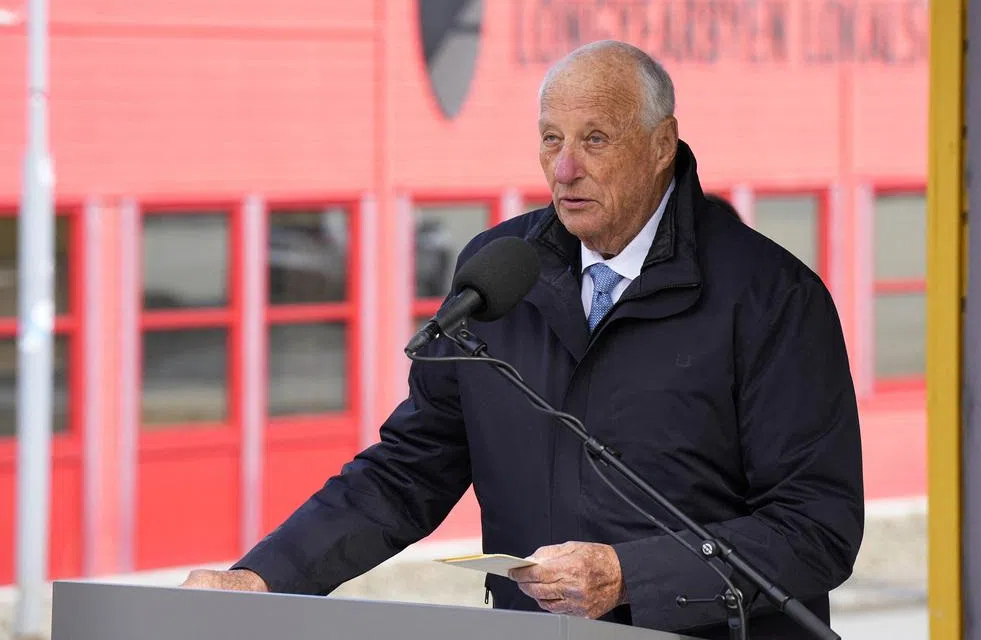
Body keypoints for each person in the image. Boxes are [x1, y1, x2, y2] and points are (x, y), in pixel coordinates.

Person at [181, 40, 864, 640]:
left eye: (594, 138)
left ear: (661, 144)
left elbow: (816, 528)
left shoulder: (772, 296)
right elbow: (408, 470)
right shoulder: (498, 274)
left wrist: (628, 576)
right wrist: (266, 581)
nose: (564, 168)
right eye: (549, 139)